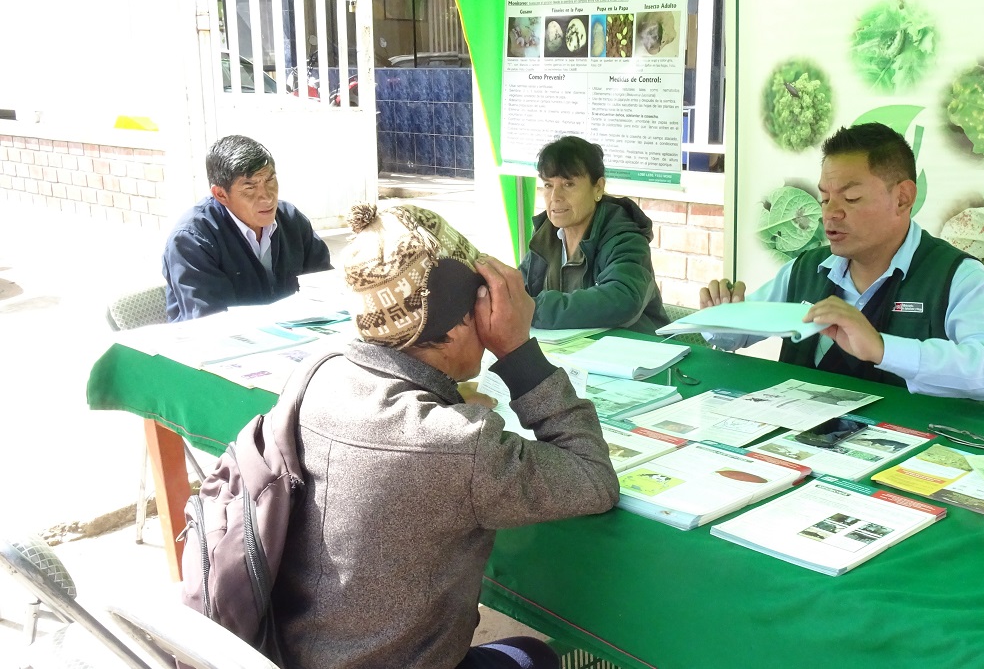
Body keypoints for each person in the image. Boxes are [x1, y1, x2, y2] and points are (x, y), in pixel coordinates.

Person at [273, 203, 619, 669]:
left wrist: (448, 399)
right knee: (533, 656)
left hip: (289, 653)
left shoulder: (318, 374)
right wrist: (518, 351)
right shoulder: (455, 444)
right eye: (484, 305)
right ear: (457, 326)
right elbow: (593, 478)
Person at [699, 122, 984, 403]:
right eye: (825, 198)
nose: (831, 213)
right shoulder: (807, 269)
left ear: (903, 198)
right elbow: (733, 337)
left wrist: (883, 349)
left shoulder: (957, 277)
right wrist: (721, 317)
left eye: (851, 198)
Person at [161, 135, 331, 321]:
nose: (267, 197)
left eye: (270, 180)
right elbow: (210, 322)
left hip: (296, 330)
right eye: (250, 188)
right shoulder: (192, 240)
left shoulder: (290, 219)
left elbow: (327, 287)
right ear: (221, 194)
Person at [519, 135, 668, 334]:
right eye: (548, 185)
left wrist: (534, 309)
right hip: (572, 350)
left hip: (637, 348)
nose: (555, 197)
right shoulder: (545, 236)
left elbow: (623, 298)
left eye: (568, 184)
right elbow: (517, 290)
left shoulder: (625, 237)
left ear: (598, 188)